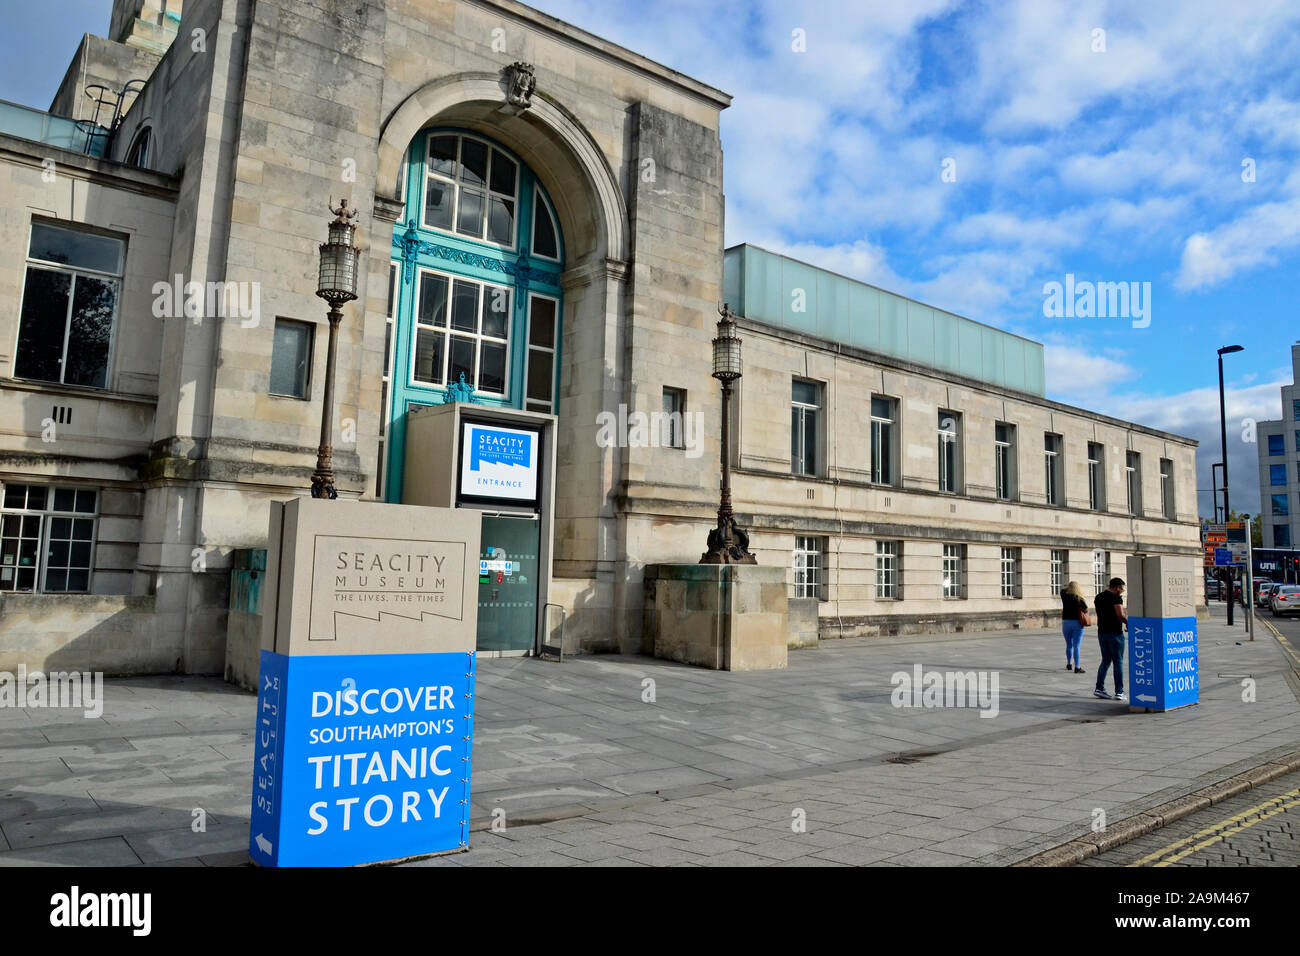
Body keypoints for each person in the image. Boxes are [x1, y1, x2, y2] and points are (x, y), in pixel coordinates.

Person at [1093, 577, 1128, 701]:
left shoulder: (1098, 597)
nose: (1123, 590)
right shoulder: (1116, 598)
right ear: (1117, 587)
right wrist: (1129, 623)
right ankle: (1119, 692)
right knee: (1118, 661)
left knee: (1106, 660)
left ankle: (1099, 688)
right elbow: (1120, 615)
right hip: (1115, 633)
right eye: (1122, 587)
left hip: (1102, 632)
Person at [1060, 581, 1089, 673]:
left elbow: (1062, 590)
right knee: (1076, 646)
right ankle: (1077, 667)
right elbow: (1086, 610)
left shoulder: (1064, 596)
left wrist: (1068, 587)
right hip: (1077, 623)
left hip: (1066, 623)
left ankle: (1069, 664)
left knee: (1069, 644)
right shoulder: (1079, 598)